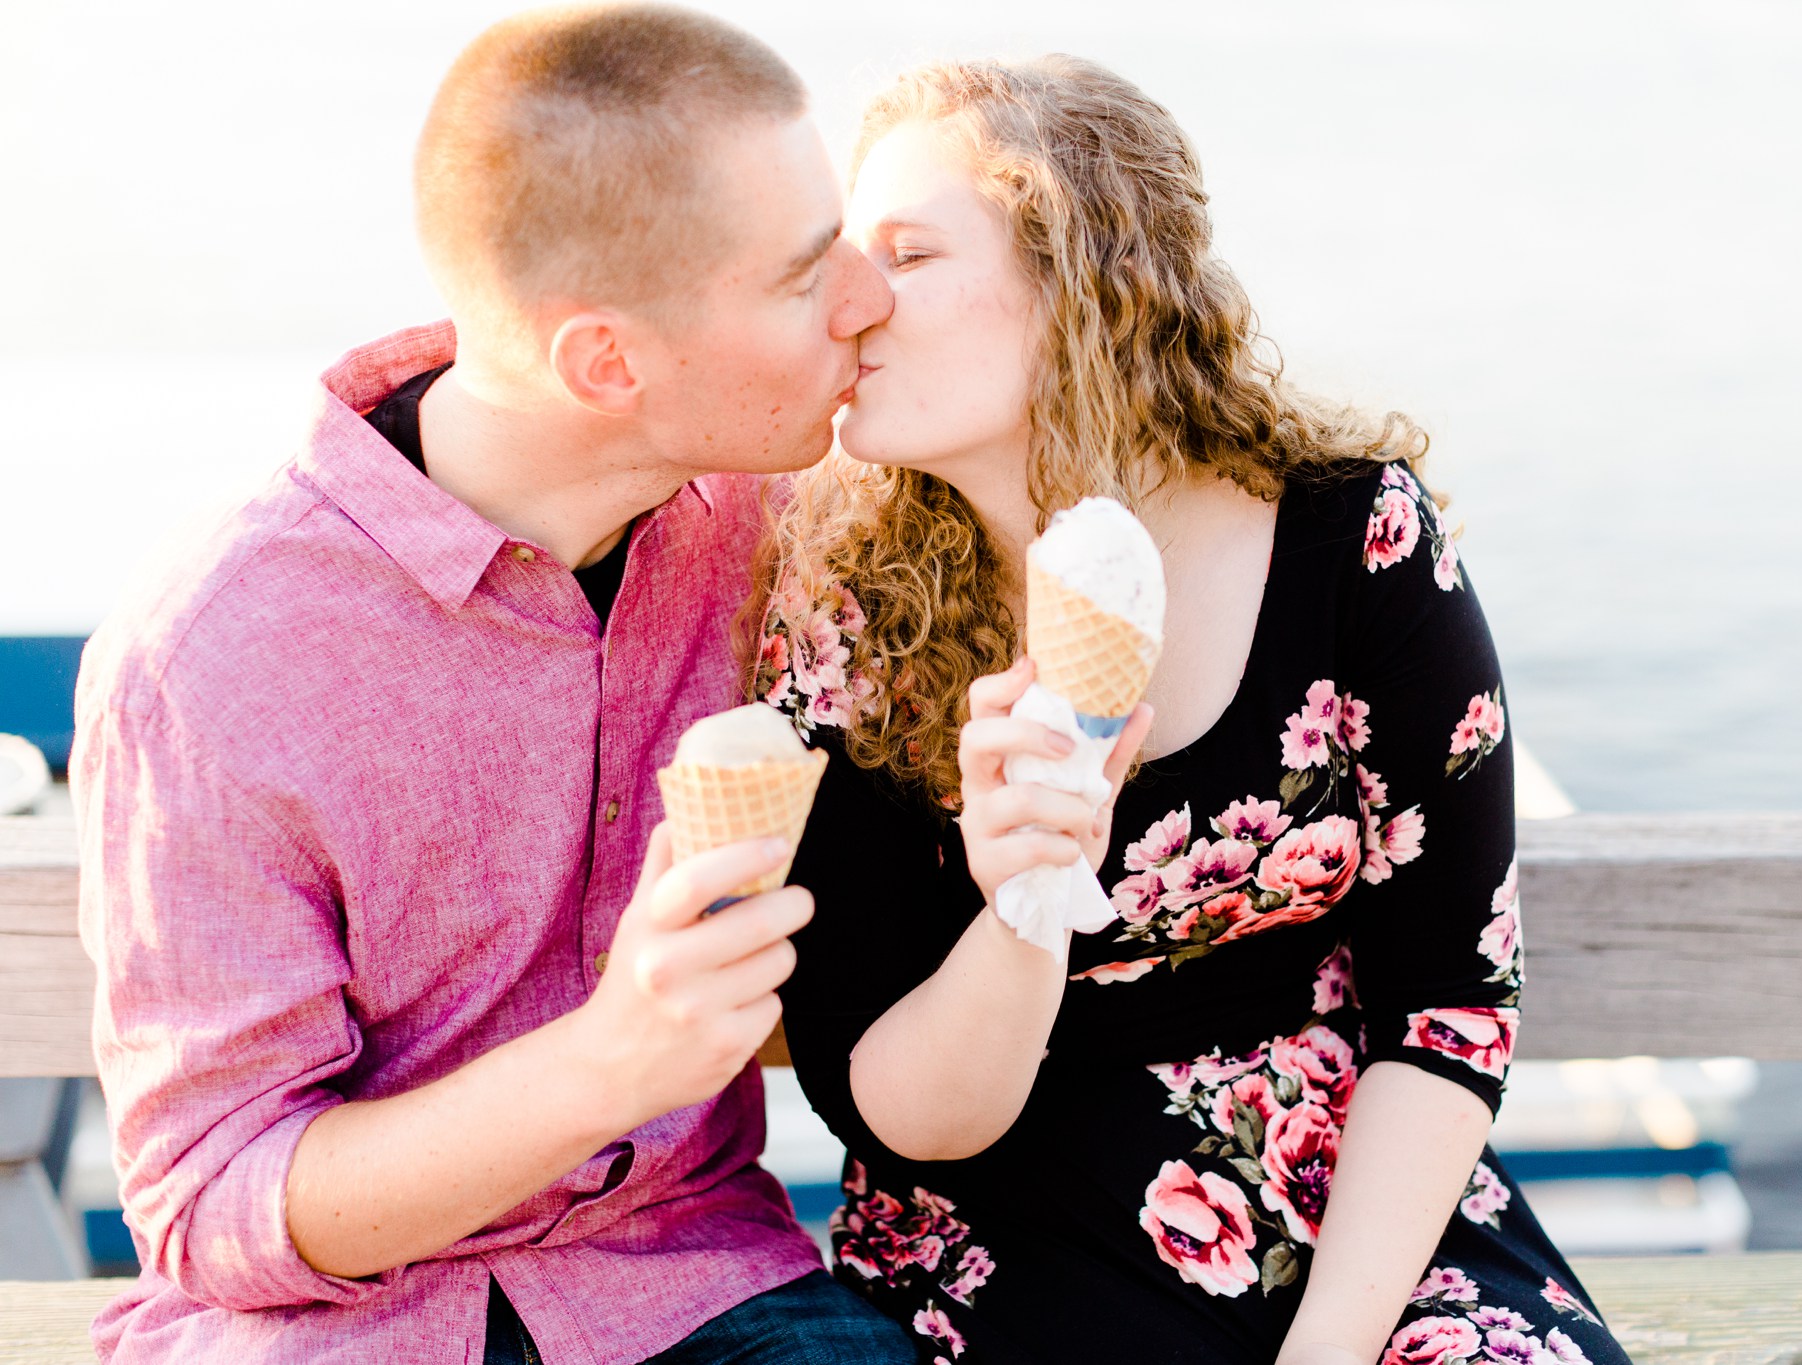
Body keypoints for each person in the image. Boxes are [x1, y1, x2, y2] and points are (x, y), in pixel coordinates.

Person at [752, 56, 1633, 1365]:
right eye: (841, 255)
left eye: (908, 252)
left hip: (1353, 1208)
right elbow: (900, 1112)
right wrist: (1025, 897)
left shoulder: (1351, 540)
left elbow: (1449, 999)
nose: (849, 301)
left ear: (1083, 279)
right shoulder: (846, 617)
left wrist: (1329, 1350)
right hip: (1002, 1229)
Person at [71, 6, 916, 1362]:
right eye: (803, 274)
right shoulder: (212, 654)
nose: (869, 299)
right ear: (605, 363)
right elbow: (216, 1194)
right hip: (347, 1327)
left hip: (695, 1277)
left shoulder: (795, 530)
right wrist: (608, 1065)